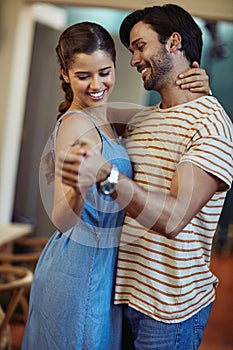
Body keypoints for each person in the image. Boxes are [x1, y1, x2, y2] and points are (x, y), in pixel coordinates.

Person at [22, 20, 211, 350]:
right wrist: (82, 183)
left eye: (104, 72)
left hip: (106, 273)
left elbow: (160, 118)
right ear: (65, 75)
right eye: (84, 76)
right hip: (79, 272)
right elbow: (62, 220)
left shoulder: (105, 115)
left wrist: (201, 91)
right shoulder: (76, 124)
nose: (97, 84)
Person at [61, 5, 233, 350]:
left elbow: (173, 218)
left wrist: (107, 176)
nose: (133, 59)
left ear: (173, 42)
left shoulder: (212, 125)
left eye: (139, 46)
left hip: (169, 311)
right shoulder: (143, 120)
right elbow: (84, 106)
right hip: (123, 296)